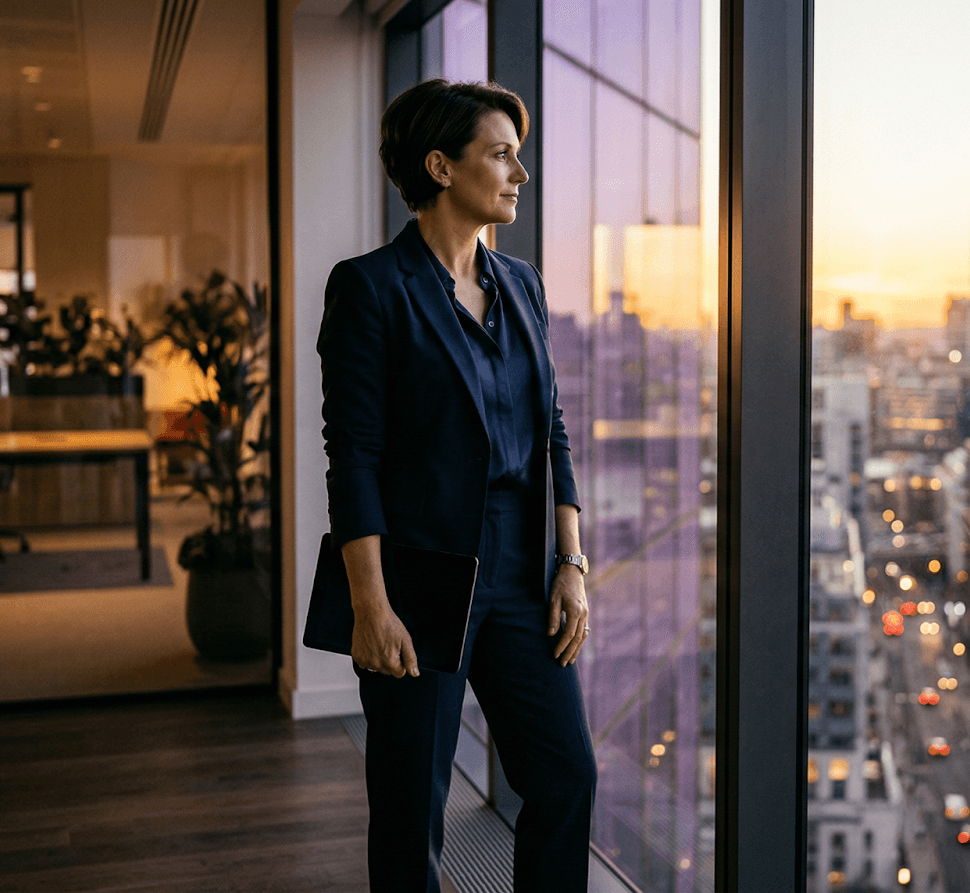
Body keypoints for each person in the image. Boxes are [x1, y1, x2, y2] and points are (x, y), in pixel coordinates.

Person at [317, 78, 596, 893]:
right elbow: (353, 455)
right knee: (411, 812)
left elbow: (553, 431)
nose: (521, 172)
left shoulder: (524, 284)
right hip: (421, 580)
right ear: (440, 166)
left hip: (521, 574)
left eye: (520, 154)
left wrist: (570, 565)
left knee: (566, 776)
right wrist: (370, 605)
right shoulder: (370, 286)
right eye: (502, 154)